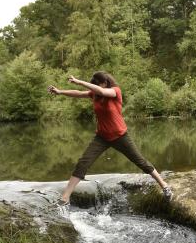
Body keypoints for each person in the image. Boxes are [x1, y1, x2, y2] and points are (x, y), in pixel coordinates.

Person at [47, 72, 173, 208]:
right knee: (83, 162)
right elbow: (78, 93)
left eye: (96, 85)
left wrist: (80, 81)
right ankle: (65, 198)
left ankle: (164, 185)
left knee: (140, 161)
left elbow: (100, 91)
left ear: (105, 83)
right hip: (101, 137)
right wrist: (60, 92)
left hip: (120, 136)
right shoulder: (94, 94)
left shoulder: (115, 91)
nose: (94, 89)